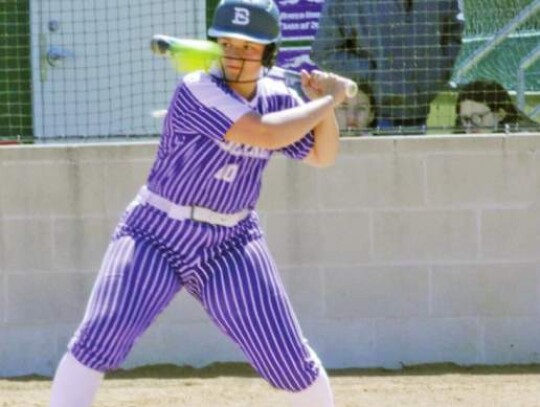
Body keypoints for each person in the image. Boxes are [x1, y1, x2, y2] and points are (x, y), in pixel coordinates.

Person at [48, 1, 350, 406]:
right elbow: (264, 134)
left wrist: (321, 107)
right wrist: (329, 100)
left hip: (232, 241)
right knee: (101, 335)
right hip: (156, 232)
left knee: (288, 359)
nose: (236, 57)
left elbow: (322, 156)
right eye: (227, 44)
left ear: (268, 53)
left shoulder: (279, 98)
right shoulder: (197, 90)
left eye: (248, 47)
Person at [310, 0, 464, 131]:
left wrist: (436, 74)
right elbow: (324, 52)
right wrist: (373, 74)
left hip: (420, 107)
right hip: (374, 114)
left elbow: (455, 33)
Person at [454, 79, 539, 134]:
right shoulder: (458, 142)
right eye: (465, 119)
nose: (470, 127)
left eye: (477, 118)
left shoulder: (528, 138)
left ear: (500, 114)